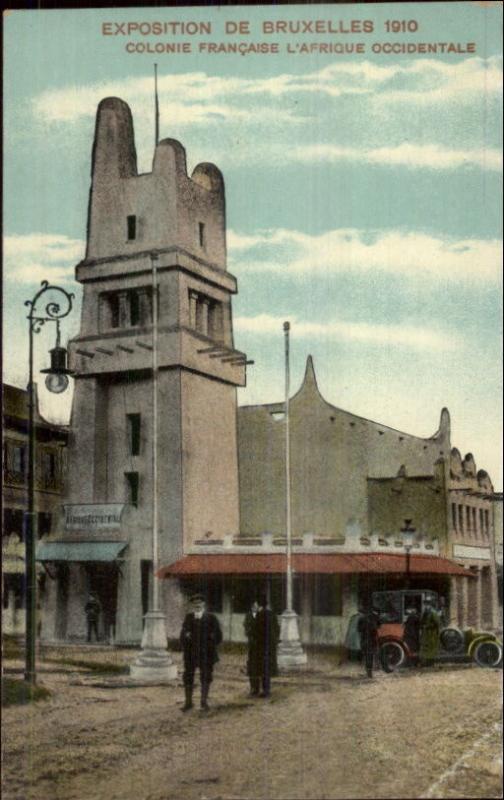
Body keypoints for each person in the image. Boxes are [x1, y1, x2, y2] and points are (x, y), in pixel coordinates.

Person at [180, 593, 222, 712]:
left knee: (206, 676)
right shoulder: (188, 618)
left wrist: (210, 642)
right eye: (195, 603)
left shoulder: (211, 618)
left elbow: (218, 636)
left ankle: (204, 702)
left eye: (199, 603)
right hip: (191, 654)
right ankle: (188, 702)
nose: (197, 605)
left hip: (206, 654)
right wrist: (185, 637)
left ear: (204, 604)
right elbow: (182, 635)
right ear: (192, 605)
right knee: (188, 676)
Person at [249, 594, 280, 698]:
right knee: (266, 668)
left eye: (256, 603)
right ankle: (266, 690)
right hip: (270, 646)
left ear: (259, 604)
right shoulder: (272, 614)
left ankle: (261, 690)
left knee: (259, 668)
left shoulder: (260, 615)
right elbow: (277, 629)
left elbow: (256, 631)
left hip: (260, 647)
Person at [357, 605, 380, 678]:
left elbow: (359, 629)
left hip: (365, 639)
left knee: (367, 656)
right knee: (371, 655)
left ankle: (368, 672)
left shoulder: (362, 619)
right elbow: (377, 627)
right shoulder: (375, 618)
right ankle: (370, 672)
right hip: (372, 640)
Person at [244, 599, 260, 695]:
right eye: (254, 606)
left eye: (257, 606)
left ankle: (257, 687)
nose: (256, 608)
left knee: (258, 666)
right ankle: (252, 687)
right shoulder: (248, 616)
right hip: (251, 645)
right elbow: (246, 628)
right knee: (251, 666)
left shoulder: (260, 616)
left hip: (259, 645)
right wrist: (250, 635)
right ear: (251, 607)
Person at [419, 599, 440, 666]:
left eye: (427, 604)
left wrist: (428, 626)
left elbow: (437, 623)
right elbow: (422, 621)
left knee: (431, 647)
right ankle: (426, 662)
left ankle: (430, 662)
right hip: (426, 632)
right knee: (425, 647)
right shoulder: (426, 612)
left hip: (431, 633)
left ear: (430, 605)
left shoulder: (433, 612)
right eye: (425, 604)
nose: (426, 606)